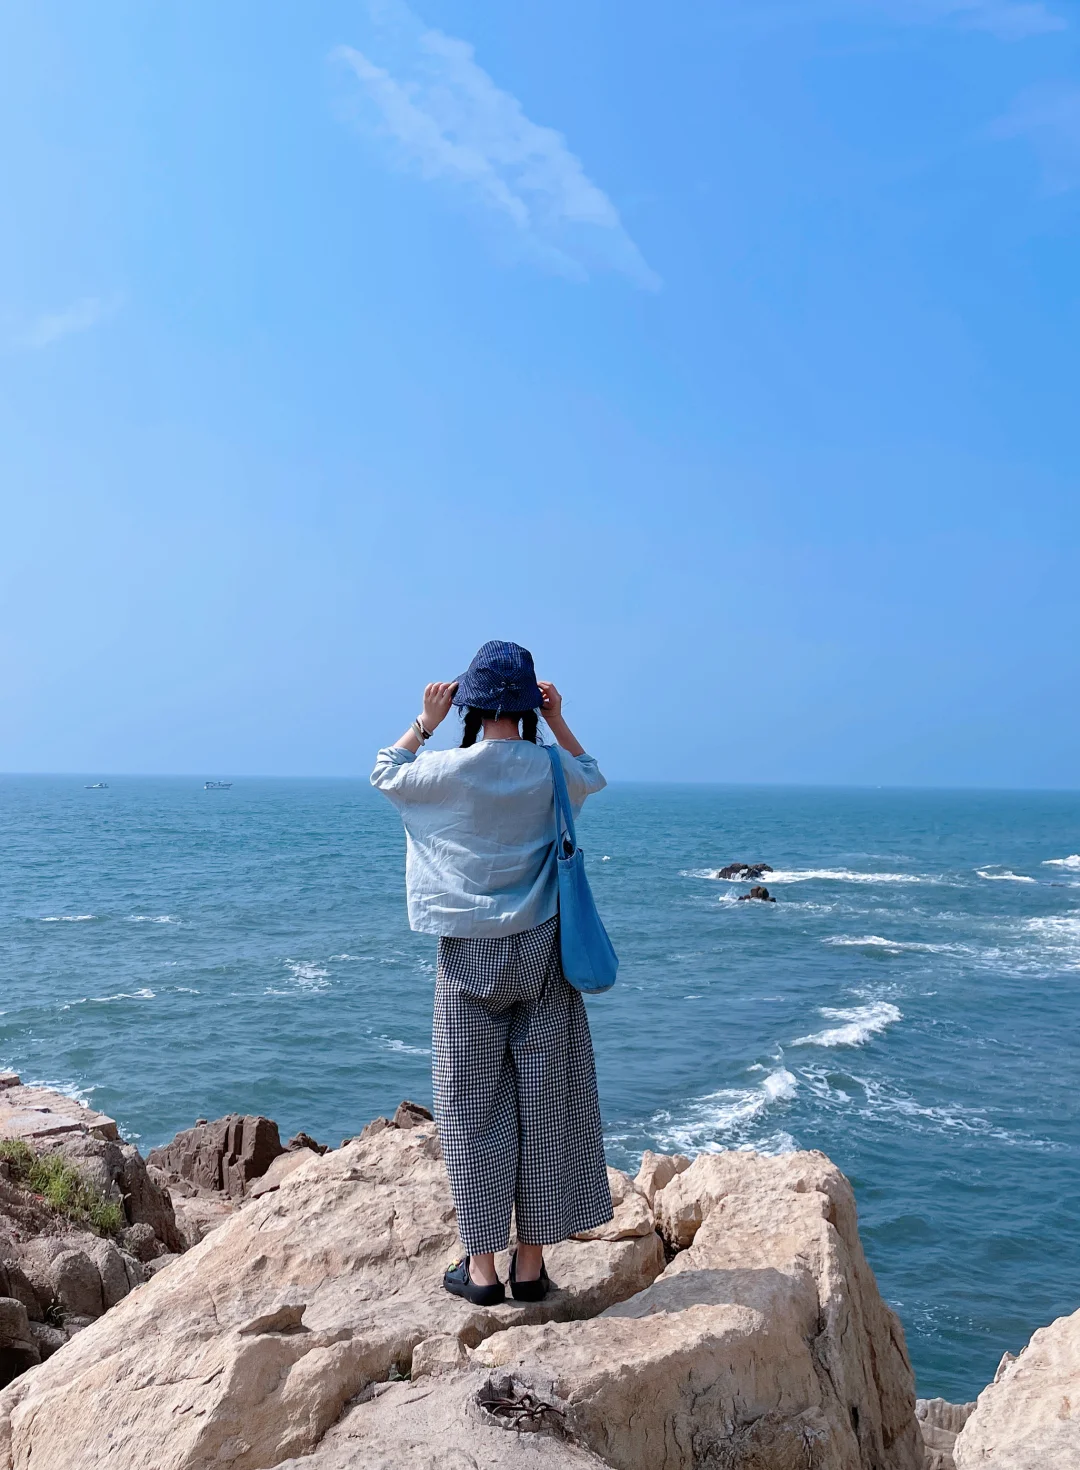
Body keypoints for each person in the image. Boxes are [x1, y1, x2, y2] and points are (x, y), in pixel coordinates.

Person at [371, 640, 613, 1306]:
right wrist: (558, 718)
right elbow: (592, 770)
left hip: (468, 954)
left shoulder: (449, 768)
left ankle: (480, 1272)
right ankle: (529, 1269)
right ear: (531, 701)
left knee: (470, 1111)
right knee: (546, 1107)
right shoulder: (550, 770)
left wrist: (426, 722)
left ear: (470, 703)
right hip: (542, 950)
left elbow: (386, 772)